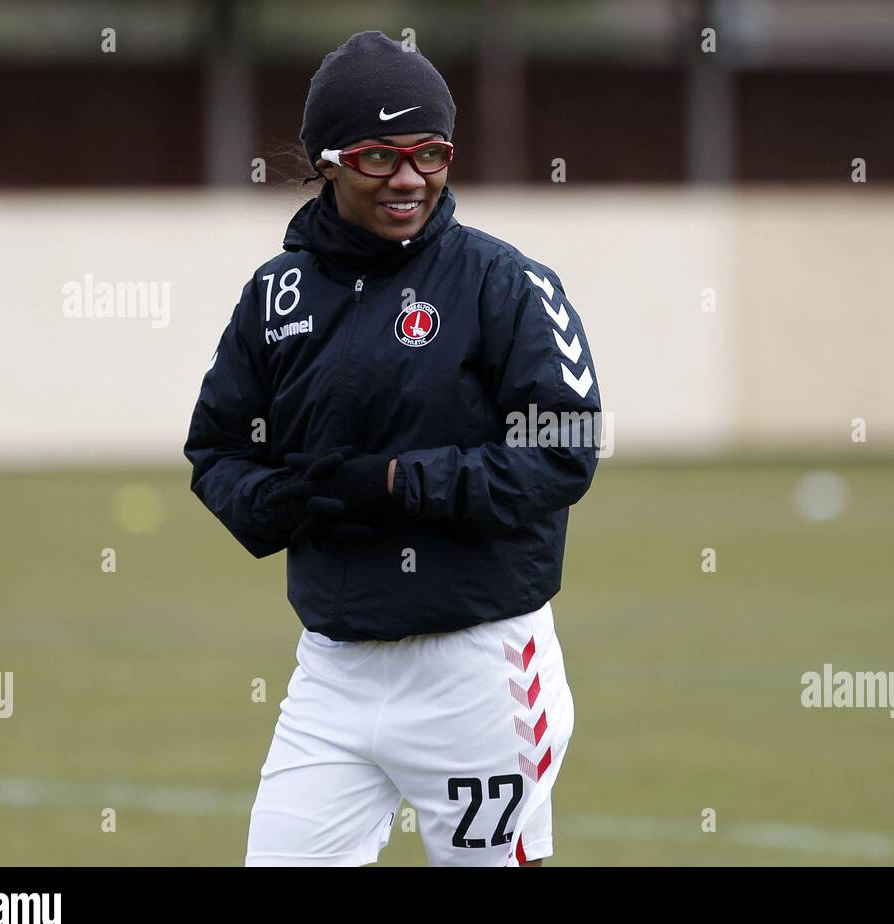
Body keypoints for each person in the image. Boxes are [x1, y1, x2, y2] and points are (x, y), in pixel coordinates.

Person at [183, 31, 602, 867]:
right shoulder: (277, 294)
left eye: (430, 153)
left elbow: (564, 449)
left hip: (479, 673)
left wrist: (403, 483)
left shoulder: (505, 283)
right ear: (326, 161)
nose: (409, 178)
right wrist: (288, 504)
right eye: (379, 155)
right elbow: (218, 449)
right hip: (332, 673)